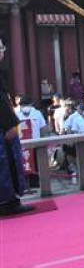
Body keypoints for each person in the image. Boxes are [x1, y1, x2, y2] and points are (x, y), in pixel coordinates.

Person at [0, 38, 33, 216]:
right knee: (6, 162)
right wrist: (10, 124)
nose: (2, 51)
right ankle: (8, 202)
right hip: (3, 128)